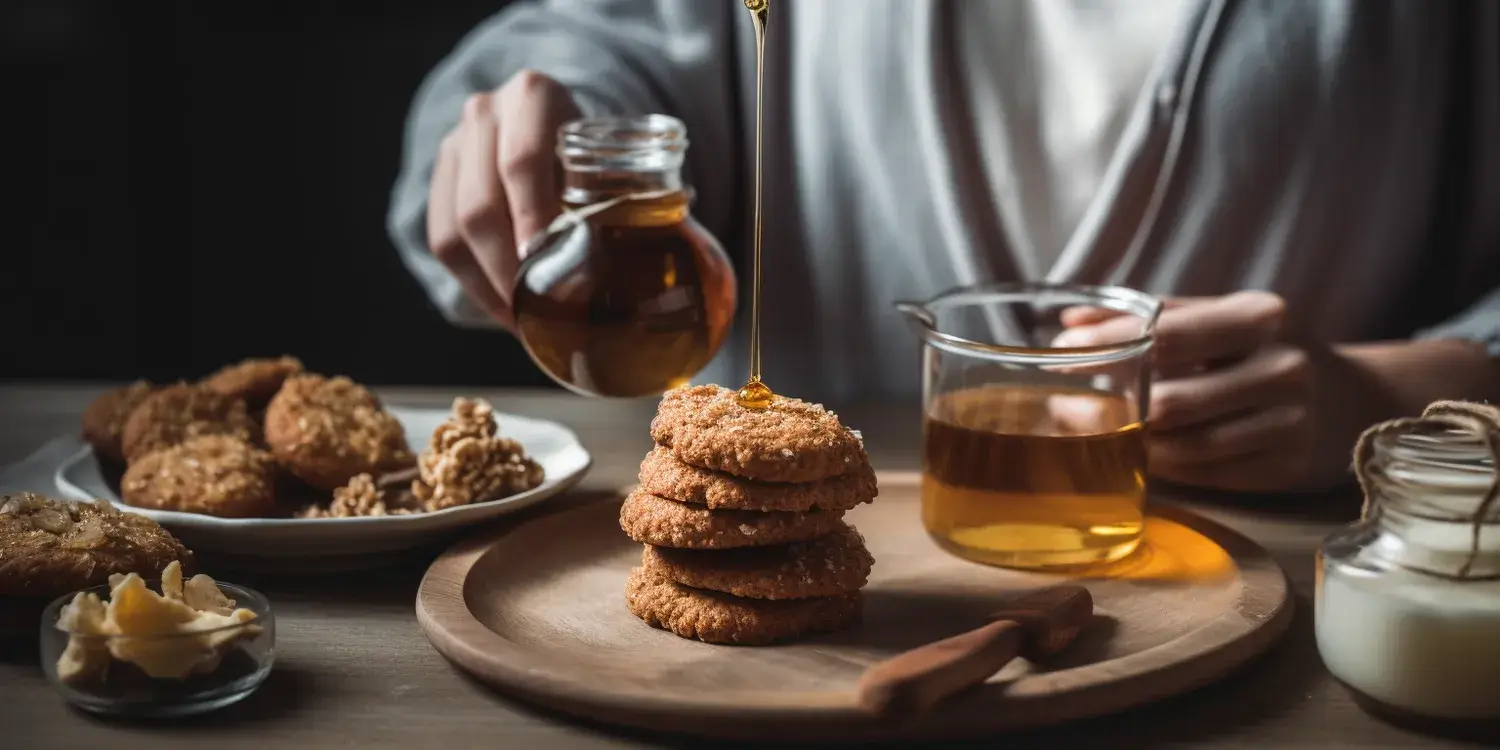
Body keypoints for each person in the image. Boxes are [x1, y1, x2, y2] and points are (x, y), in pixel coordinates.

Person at [387, 0, 1500, 493]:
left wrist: (1407, 403)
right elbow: (589, 41)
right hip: (798, 674)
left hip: (1298, 588)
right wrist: (539, 129)